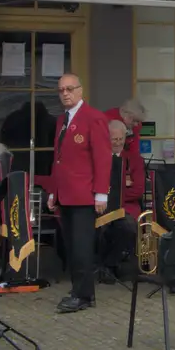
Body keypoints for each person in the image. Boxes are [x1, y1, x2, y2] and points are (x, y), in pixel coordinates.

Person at [47, 73, 111, 312]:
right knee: (72, 247)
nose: (65, 93)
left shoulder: (93, 118)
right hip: (66, 194)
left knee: (82, 247)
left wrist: (101, 194)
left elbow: (102, 158)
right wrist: (53, 191)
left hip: (84, 195)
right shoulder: (61, 120)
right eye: (61, 90)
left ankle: (83, 295)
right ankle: (79, 290)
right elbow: (58, 160)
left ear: (80, 91)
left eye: (70, 89)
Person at [93, 119, 135, 283]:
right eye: (114, 139)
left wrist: (120, 192)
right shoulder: (99, 157)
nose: (118, 143)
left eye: (121, 139)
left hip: (125, 207)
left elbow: (137, 189)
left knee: (127, 228)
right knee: (98, 229)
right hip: (100, 205)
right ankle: (100, 266)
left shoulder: (133, 159)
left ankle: (110, 265)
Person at [102, 97, 147, 216]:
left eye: (120, 139)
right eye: (135, 121)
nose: (137, 125)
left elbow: (134, 152)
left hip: (125, 205)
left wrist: (131, 167)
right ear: (127, 116)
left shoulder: (135, 126)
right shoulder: (105, 119)